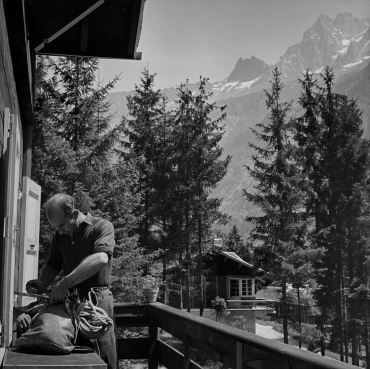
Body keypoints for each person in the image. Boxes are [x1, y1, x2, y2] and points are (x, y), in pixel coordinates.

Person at [25, 193, 117, 369]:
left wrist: (65, 283)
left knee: (103, 358)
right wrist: (42, 283)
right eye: (56, 228)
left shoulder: (102, 227)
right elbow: (53, 264)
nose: (60, 231)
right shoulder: (61, 236)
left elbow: (100, 258)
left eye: (61, 225)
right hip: (71, 305)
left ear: (74, 214)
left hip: (97, 304)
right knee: (74, 358)